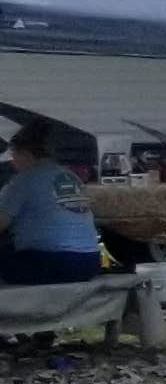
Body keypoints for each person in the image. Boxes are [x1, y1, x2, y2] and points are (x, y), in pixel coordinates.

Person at [0, 121, 103, 286]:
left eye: (14, 155)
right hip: (90, 262)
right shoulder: (70, 176)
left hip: (52, 262)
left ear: (25, 153)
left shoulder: (24, 180)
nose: (13, 162)